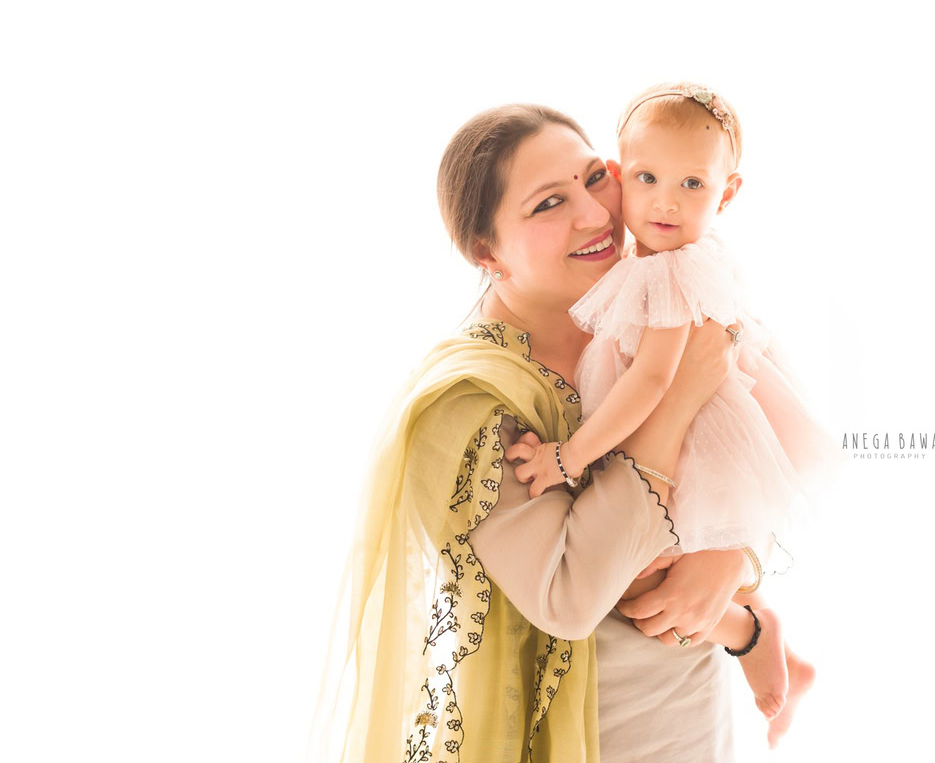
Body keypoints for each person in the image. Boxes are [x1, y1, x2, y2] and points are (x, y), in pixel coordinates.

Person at [308, 104, 763, 763]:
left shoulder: (642, 317)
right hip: (580, 739)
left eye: (594, 178)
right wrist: (677, 397)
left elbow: (752, 448)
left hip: (690, 708)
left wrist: (734, 563)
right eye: (550, 203)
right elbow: (571, 598)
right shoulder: (468, 407)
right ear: (485, 252)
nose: (597, 213)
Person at [508, 82, 831, 732]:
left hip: (690, 445)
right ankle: (772, 643)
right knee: (664, 561)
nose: (664, 201)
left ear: (727, 193)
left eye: (692, 185)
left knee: (633, 577)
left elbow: (652, 384)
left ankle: (751, 635)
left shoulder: (672, 272)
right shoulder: (654, 260)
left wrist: (568, 457)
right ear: (623, 175)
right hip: (688, 443)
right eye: (649, 178)